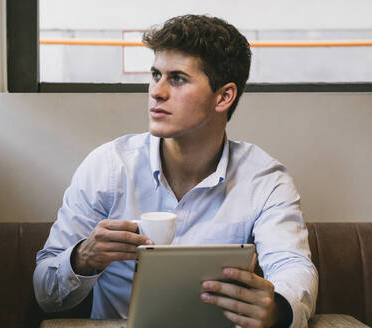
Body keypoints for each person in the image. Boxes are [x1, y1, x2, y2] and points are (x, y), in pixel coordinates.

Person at [33, 14, 318, 328]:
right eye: (156, 75)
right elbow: (45, 294)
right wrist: (83, 258)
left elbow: (292, 266)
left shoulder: (264, 180)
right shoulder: (108, 166)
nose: (157, 91)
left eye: (177, 78)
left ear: (224, 96)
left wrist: (277, 308)